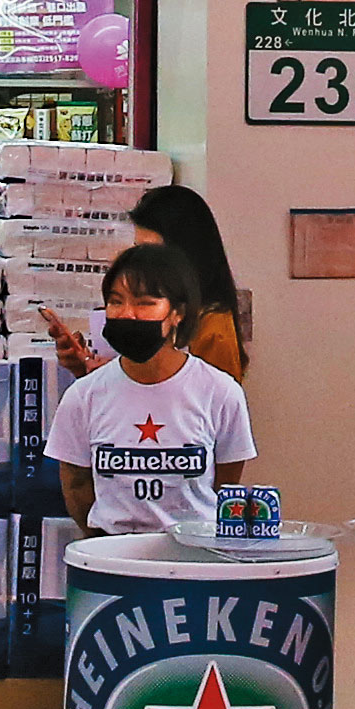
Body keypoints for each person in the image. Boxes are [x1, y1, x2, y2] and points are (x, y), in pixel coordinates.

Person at [45, 244, 266, 536]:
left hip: (195, 558)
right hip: (111, 560)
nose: (127, 314)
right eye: (116, 302)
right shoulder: (82, 396)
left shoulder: (221, 392)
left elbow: (225, 483)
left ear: (177, 313)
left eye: (145, 303)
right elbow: (76, 487)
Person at [41, 186, 254, 381]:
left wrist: (123, 380)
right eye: (116, 301)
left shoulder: (213, 331)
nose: (140, 264)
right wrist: (89, 368)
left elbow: (204, 411)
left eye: (151, 252)